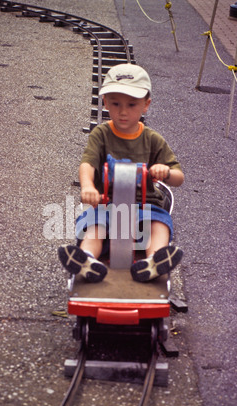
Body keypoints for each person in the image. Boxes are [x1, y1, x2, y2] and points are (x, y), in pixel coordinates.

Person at [58, 63, 184, 283]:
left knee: (159, 225)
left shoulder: (153, 140)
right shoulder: (101, 134)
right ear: (105, 102)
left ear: (146, 105)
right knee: (95, 226)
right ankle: (86, 260)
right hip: (107, 204)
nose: (123, 111)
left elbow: (179, 177)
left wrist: (165, 172)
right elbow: (87, 163)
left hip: (145, 207)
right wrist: (88, 186)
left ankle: (155, 260)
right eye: (115, 103)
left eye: (132, 105)